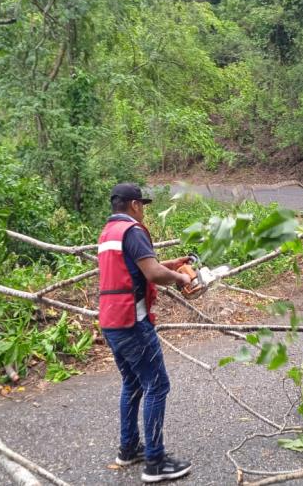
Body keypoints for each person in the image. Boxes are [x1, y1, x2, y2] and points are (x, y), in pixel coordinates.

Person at [98, 183, 193, 483]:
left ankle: (128, 449)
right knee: (157, 385)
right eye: (143, 206)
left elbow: (138, 269)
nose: (143, 212)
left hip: (111, 322)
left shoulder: (108, 234)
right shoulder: (134, 231)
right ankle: (155, 462)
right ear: (135, 205)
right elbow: (152, 274)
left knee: (133, 382)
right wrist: (179, 277)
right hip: (132, 323)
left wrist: (171, 265)